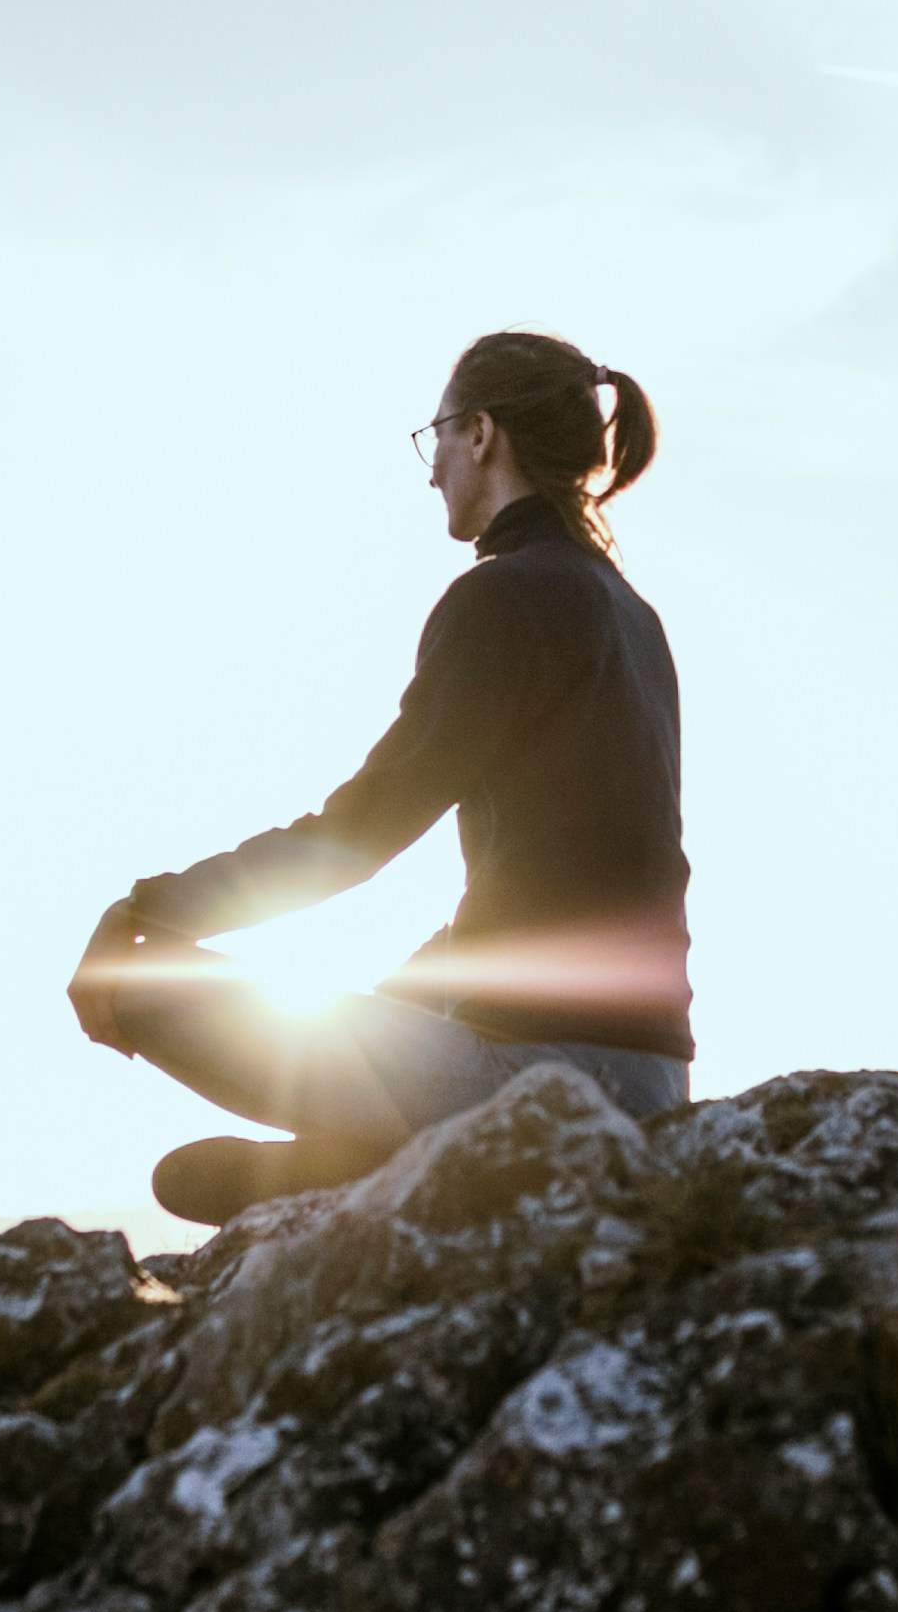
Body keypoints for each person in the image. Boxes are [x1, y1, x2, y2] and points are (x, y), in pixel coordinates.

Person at [67, 328, 694, 1225]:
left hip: (549, 1084)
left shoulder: (506, 596)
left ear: (481, 434)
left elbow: (355, 837)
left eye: (436, 435)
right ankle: (372, 1162)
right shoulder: (631, 614)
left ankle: (375, 1167)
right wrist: (406, 994)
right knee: (400, 995)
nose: (432, 466)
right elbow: (576, 880)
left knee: (136, 980)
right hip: (653, 1078)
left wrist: (145, 911)